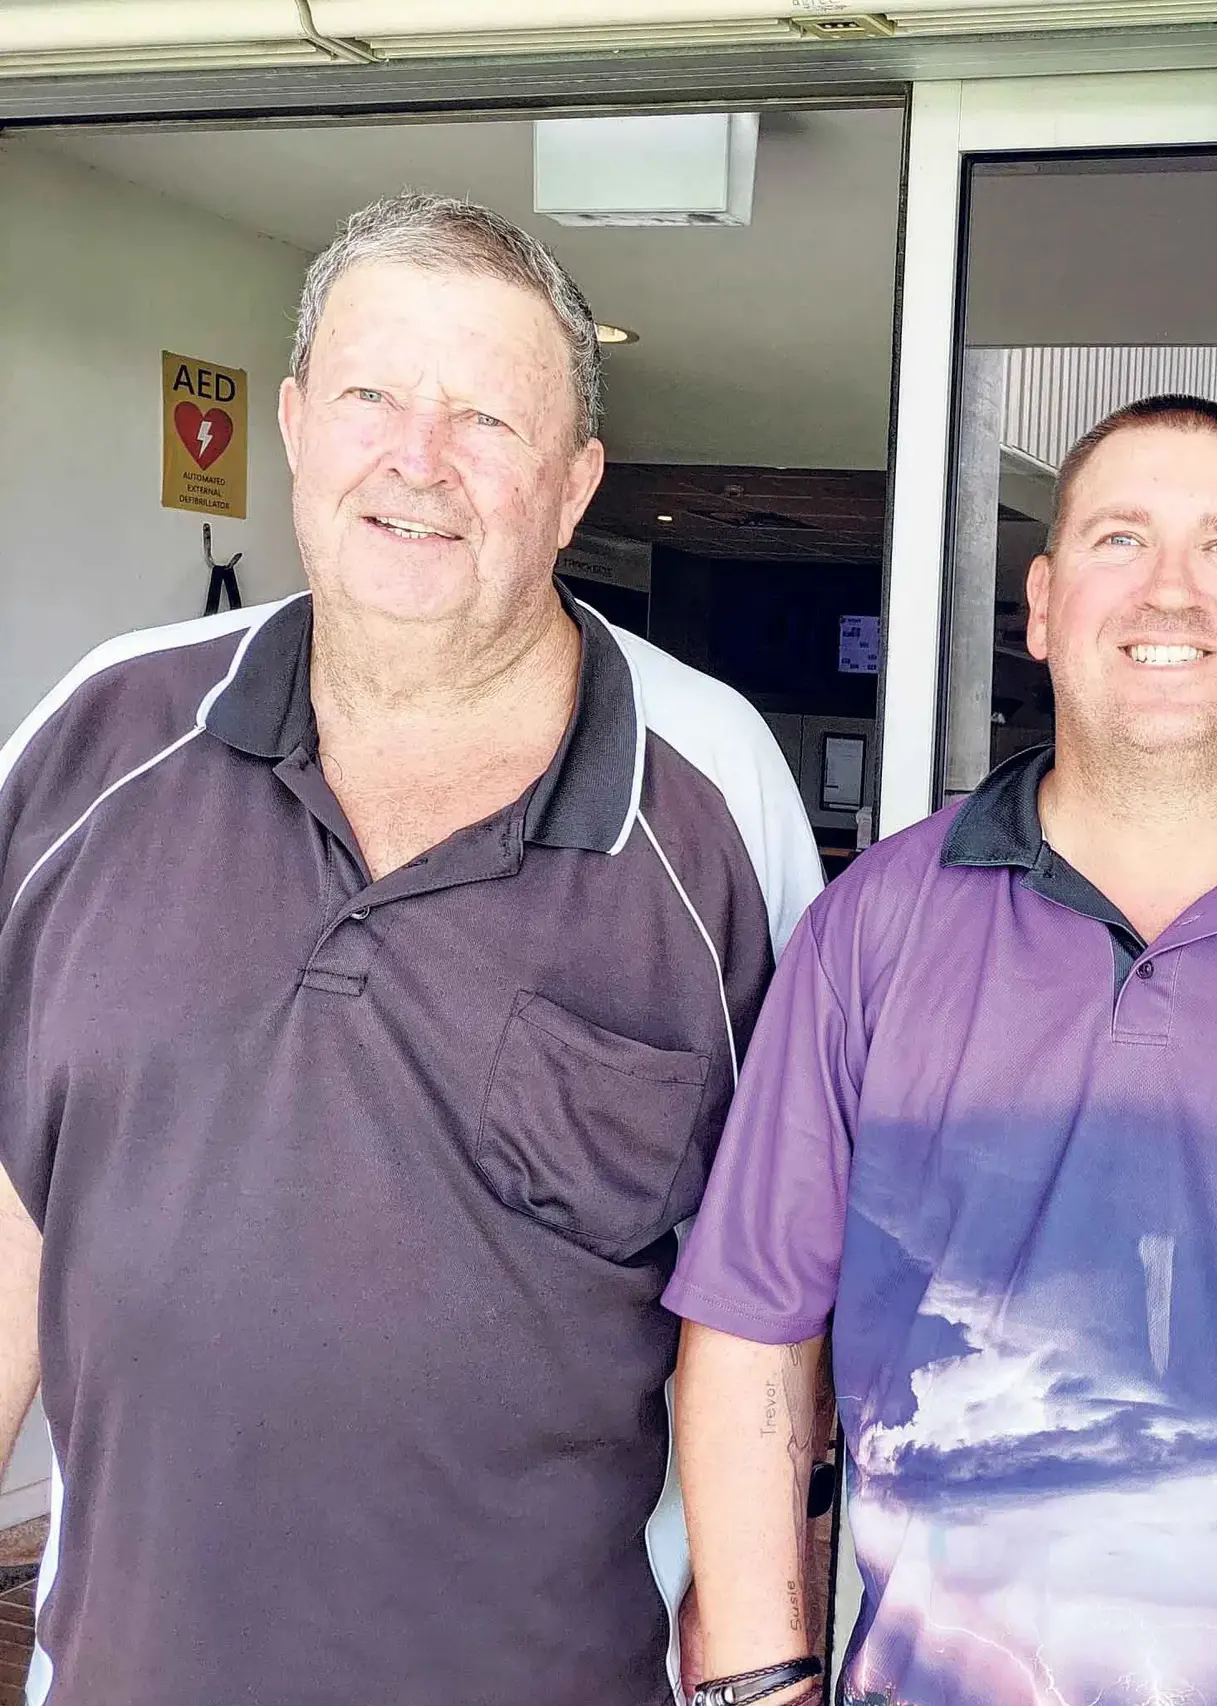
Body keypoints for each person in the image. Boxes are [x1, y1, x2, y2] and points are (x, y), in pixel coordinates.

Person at [0, 193, 821, 1704]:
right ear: (300, 424)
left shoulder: (710, 794)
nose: (418, 460)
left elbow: (767, 1300)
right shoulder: (93, 739)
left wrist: (760, 1669)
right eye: (374, 395)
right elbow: (11, 1205)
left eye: (487, 419)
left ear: (575, 485)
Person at [667, 395, 1217, 1706]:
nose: (1171, 591)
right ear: (1039, 606)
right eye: (1119, 540)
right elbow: (753, 1334)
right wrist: (762, 1685)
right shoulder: (877, 923)